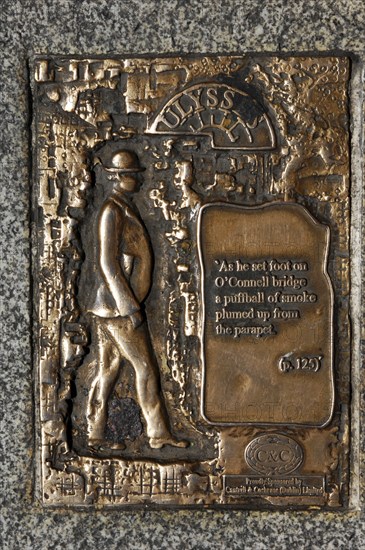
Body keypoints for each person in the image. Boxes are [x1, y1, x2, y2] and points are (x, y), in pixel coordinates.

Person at [77, 148, 188, 451]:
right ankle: (157, 432)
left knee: (108, 369)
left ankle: (95, 433)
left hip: (111, 307)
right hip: (119, 308)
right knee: (146, 368)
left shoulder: (123, 206)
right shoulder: (111, 211)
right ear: (121, 178)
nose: (139, 181)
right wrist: (130, 307)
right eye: (135, 176)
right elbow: (107, 263)